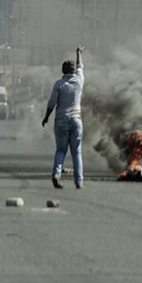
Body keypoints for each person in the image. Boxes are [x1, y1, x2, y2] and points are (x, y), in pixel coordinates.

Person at [42, 46, 85, 189]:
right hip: (76, 120)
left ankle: (56, 174)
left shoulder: (59, 84)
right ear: (73, 71)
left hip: (61, 121)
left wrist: (46, 117)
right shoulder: (79, 81)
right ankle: (79, 182)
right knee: (76, 152)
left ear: (63, 71)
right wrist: (78, 53)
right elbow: (81, 66)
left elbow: (52, 103)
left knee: (60, 150)